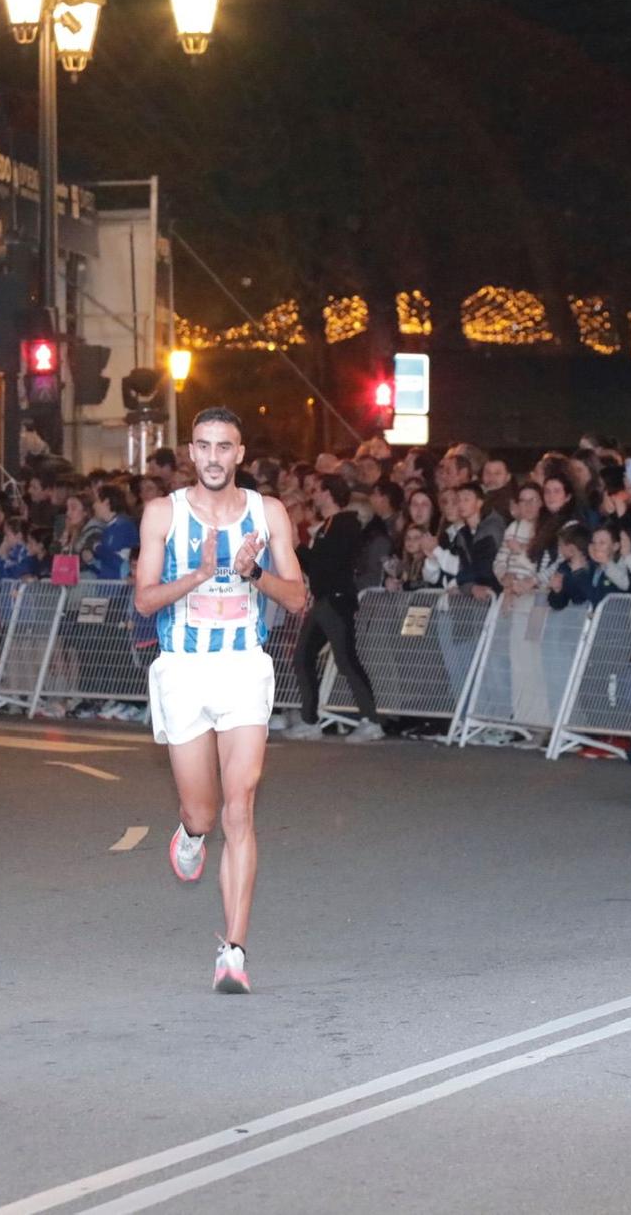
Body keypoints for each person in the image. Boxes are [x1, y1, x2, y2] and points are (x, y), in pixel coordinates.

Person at [132, 407, 308, 994]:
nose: (213, 457)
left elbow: (299, 598)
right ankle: (189, 832)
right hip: (183, 670)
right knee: (204, 813)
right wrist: (200, 574)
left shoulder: (269, 513)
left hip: (243, 669)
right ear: (191, 451)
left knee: (241, 807)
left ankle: (232, 951)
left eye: (224, 447)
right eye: (204, 446)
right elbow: (144, 601)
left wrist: (252, 572)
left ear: (240, 453)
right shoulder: (163, 513)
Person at [287, 474, 387, 744]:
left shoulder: (343, 525)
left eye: (317, 490)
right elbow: (317, 565)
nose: (313, 495)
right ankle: (310, 720)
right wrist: (299, 548)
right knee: (304, 656)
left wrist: (298, 546)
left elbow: (326, 563)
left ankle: (370, 720)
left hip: (335, 600)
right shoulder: (328, 527)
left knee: (345, 659)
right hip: (325, 600)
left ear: (329, 493)